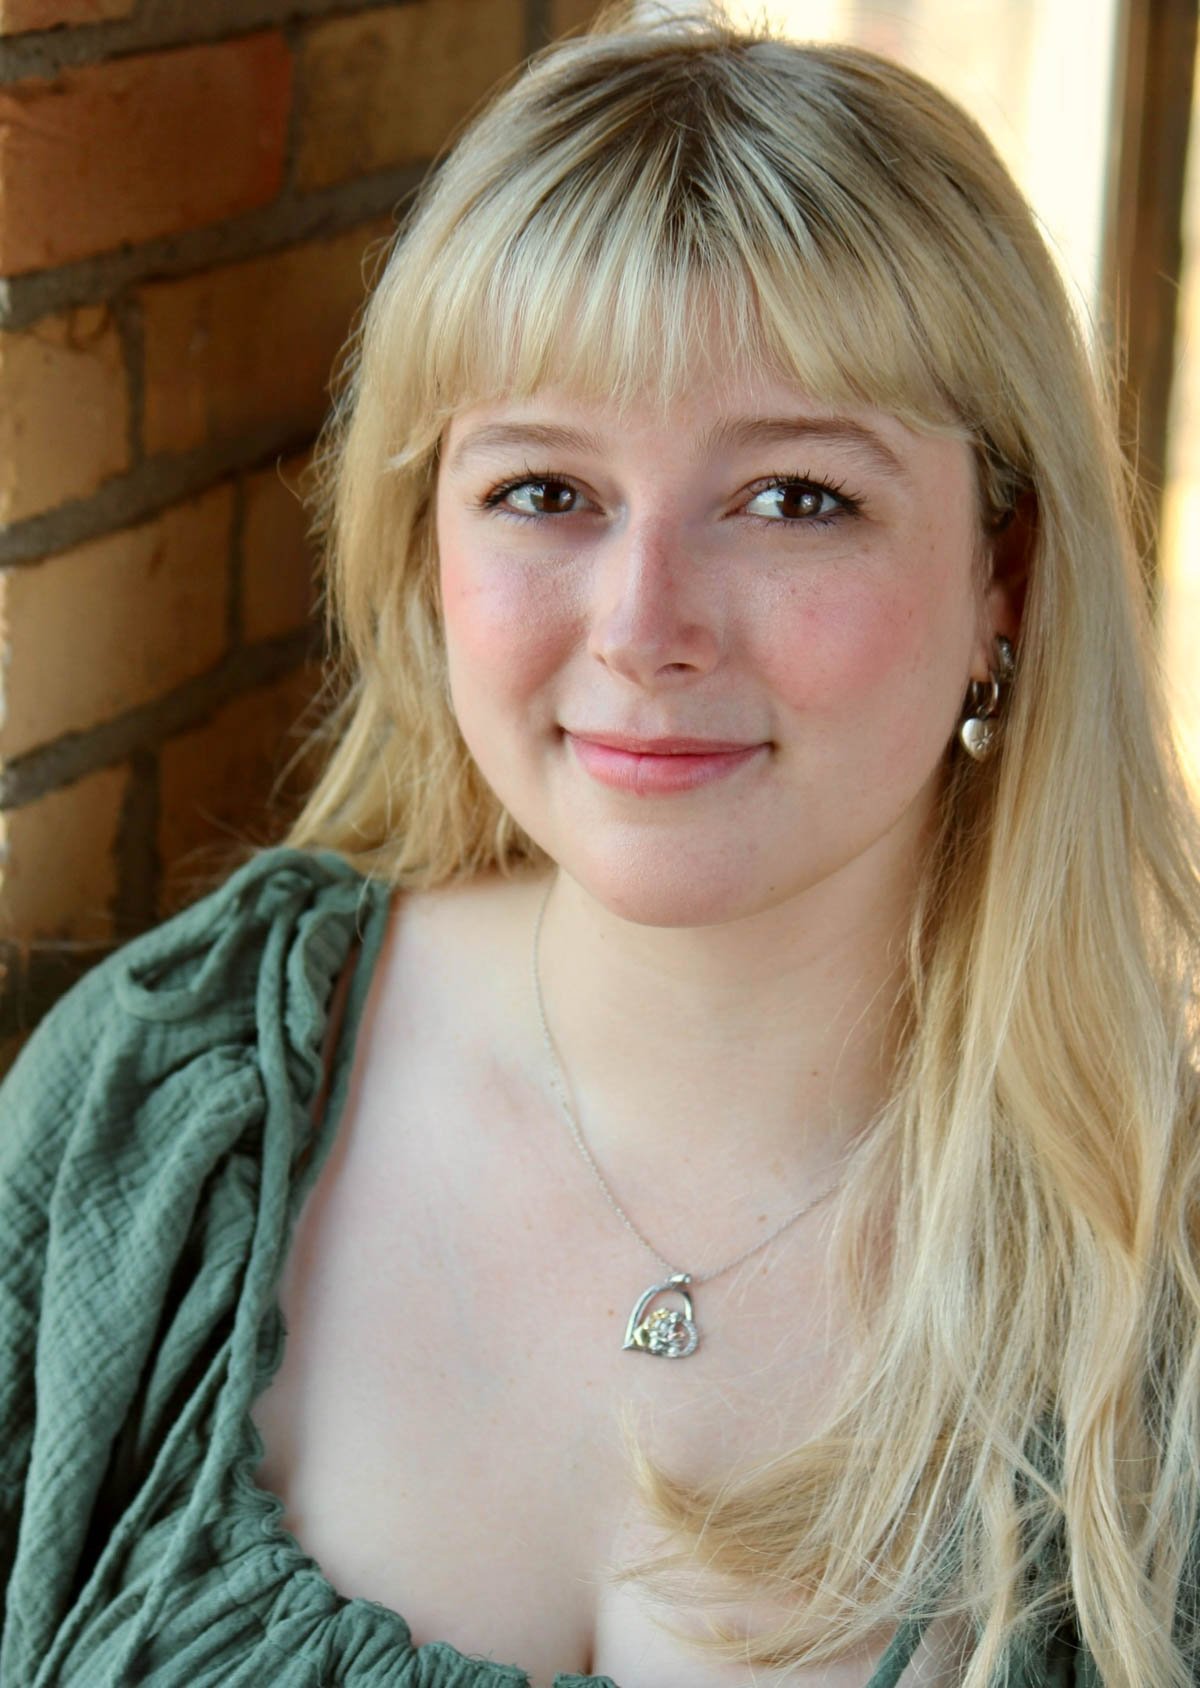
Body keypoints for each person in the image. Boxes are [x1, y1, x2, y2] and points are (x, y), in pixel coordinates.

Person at [2, 9, 1199, 1686]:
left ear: (1006, 572)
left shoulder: (1162, 1273)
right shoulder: (168, 1098)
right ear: (424, 545)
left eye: (793, 497)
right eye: (545, 491)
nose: (646, 629)